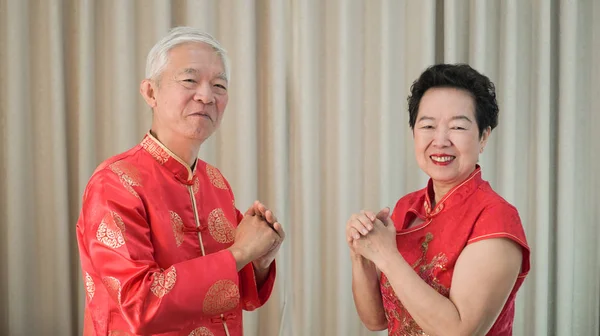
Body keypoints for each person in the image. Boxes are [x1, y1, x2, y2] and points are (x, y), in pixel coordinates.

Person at [76, 27, 285, 336]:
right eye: (189, 80)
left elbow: (238, 294)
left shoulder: (216, 183)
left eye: (219, 85)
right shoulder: (114, 183)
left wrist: (260, 259)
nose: (207, 95)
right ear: (150, 92)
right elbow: (139, 304)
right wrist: (241, 252)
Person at [346, 64, 530, 335]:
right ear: (414, 133)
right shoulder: (407, 207)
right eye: (428, 125)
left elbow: (459, 331)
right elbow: (376, 321)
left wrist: (385, 254)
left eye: (457, 126)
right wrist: (360, 254)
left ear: (483, 137)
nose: (440, 140)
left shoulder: (496, 218)